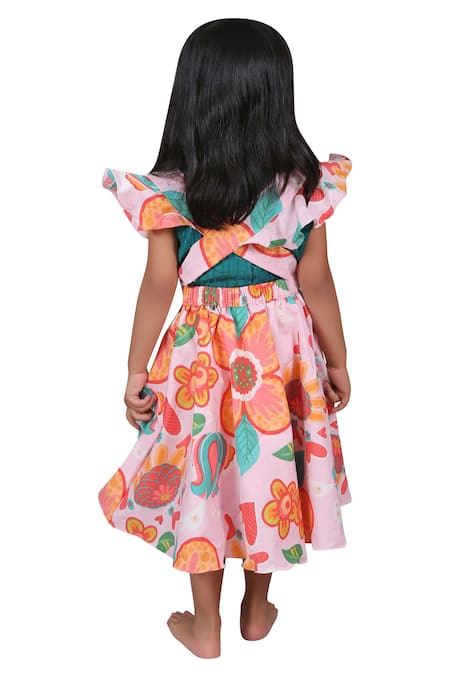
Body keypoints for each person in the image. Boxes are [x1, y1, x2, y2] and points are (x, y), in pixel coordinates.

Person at [98, 17, 353, 659]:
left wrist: (135, 371)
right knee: (269, 470)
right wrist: (339, 361)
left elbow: (160, 284)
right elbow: (316, 281)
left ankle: (205, 623)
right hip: (279, 357)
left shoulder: (170, 197)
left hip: (200, 360)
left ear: (190, 98)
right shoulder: (303, 192)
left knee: (204, 477)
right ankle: (257, 608)